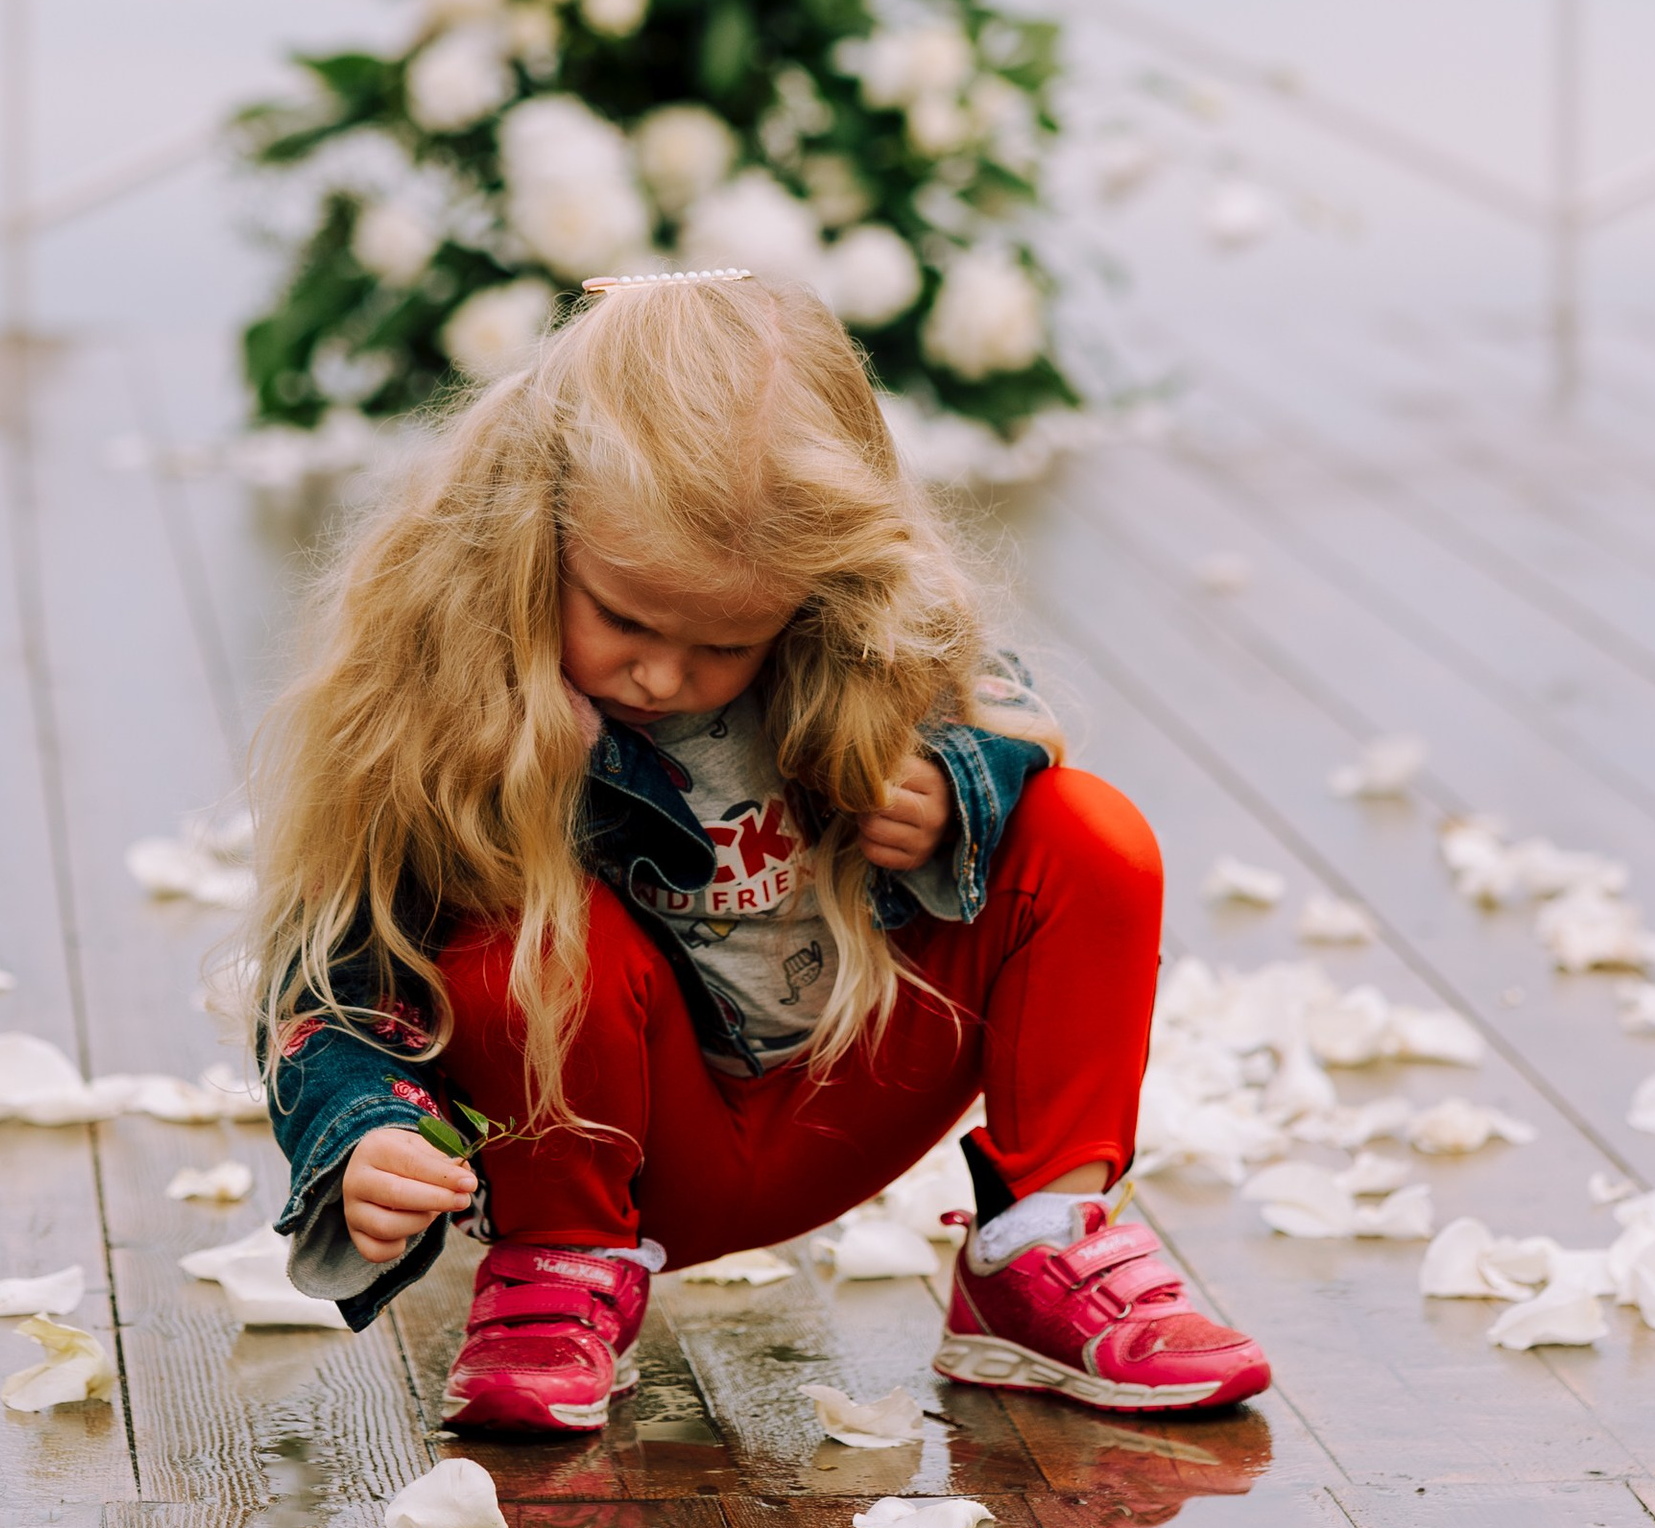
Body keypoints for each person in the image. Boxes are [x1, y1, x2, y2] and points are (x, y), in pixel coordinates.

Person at [246, 272, 1272, 1438]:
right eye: (625, 619)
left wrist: (955, 795)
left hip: (846, 1081)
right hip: (609, 1140)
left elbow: (1006, 721)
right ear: (535, 532)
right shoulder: (446, 710)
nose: (663, 677)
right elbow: (335, 976)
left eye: (728, 641)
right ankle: (558, 1271)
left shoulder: (868, 644)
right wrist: (368, 1135)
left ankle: (1038, 1250)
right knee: (507, 932)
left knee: (1087, 831)